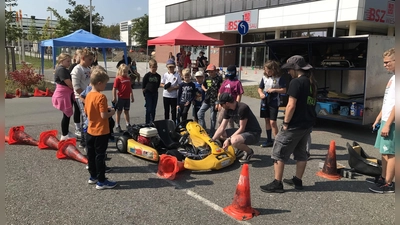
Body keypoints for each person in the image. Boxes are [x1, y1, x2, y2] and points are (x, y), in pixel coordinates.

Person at [259, 55, 317, 193]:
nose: (288, 72)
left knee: (278, 152)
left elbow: (291, 105)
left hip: (295, 124)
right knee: (301, 153)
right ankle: (297, 180)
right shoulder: (312, 82)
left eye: (290, 69)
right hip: (307, 123)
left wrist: (285, 123)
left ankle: (277, 183)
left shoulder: (296, 83)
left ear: (296, 69)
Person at [368, 48, 395, 194]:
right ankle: (384, 177)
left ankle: (389, 184)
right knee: (384, 152)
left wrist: (389, 124)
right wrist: (378, 118)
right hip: (386, 120)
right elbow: (388, 103)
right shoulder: (392, 78)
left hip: (393, 123)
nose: (385, 65)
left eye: (387, 62)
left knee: (392, 154)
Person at [84, 67, 117, 190]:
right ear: (99, 83)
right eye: (104, 84)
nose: (105, 86)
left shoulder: (88, 95)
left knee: (91, 155)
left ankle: (93, 176)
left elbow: (87, 112)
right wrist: (111, 112)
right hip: (101, 131)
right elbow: (103, 116)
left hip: (90, 129)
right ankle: (102, 181)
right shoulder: (101, 97)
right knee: (100, 156)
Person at [212, 93, 262, 163]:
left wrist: (228, 140)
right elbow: (221, 127)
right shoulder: (227, 110)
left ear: (227, 103)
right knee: (222, 134)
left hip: (253, 133)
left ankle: (249, 152)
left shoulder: (242, 108)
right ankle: (240, 148)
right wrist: (212, 140)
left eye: (221, 104)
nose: (220, 106)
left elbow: (242, 128)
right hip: (244, 132)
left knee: (234, 140)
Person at [258, 60, 287, 147]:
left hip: (274, 102)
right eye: (266, 70)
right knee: (267, 120)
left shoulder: (279, 78)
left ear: (274, 69)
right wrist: (261, 94)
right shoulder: (264, 77)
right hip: (265, 101)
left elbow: (284, 90)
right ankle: (269, 140)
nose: (267, 72)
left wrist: (274, 90)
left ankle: (277, 141)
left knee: (272, 122)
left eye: (269, 71)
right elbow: (260, 88)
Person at [71, 49, 94, 138]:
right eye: (90, 59)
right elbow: (76, 86)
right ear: (83, 58)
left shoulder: (88, 69)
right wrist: (85, 96)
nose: (91, 62)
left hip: (89, 95)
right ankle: (85, 138)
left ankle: (89, 134)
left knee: (89, 115)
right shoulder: (77, 69)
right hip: (81, 96)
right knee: (85, 117)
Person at [52, 53, 75, 140]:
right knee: (66, 114)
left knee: (66, 115)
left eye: (70, 61)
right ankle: (64, 134)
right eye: (68, 61)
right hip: (64, 94)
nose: (70, 63)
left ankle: (66, 132)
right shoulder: (62, 70)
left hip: (65, 94)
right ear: (62, 61)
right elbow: (69, 84)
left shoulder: (62, 69)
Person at [197, 64, 222, 136]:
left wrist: (218, 101)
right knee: (200, 113)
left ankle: (212, 132)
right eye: (209, 72)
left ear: (215, 71)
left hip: (215, 101)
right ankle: (204, 128)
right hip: (207, 99)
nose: (210, 73)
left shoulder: (219, 78)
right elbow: (203, 85)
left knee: (212, 117)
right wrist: (205, 90)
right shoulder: (207, 78)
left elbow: (221, 89)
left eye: (211, 71)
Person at [217, 65, 244, 129]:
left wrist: (236, 105)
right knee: (219, 120)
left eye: (231, 72)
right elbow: (220, 93)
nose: (229, 74)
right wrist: (219, 103)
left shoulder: (237, 82)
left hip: (231, 105)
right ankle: (220, 135)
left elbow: (239, 94)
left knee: (230, 122)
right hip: (224, 105)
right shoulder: (225, 82)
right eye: (228, 72)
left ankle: (231, 135)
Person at [112, 64, 134, 133]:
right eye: (124, 72)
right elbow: (114, 88)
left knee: (126, 111)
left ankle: (128, 124)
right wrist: (114, 97)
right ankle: (117, 125)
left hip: (127, 98)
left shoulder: (128, 79)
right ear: (120, 71)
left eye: (126, 72)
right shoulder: (118, 79)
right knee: (119, 112)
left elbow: (130, 88)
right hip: (121, 98)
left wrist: (132, 96)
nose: (125, 73)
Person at [160, 58, 182, 123]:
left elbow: (180, 85)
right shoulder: (165, 75)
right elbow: (161, 83)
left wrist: (173, 88)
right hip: (166, 95)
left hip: (173, 96)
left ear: (174, 67)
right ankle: (166, 123)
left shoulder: (177, 75)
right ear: (167, 67)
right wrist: (165, 86)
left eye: (172, 67)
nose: (170, 68)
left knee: (173, 111)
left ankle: (173, 124)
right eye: (169, 67)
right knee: (166, 110)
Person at [142, 59, 161, 124]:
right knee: (149, 109)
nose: (154, 69)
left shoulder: (158, 76)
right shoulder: (147, 76)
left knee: (153, 109)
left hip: (155, 93)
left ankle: (152, 121)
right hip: (148, 93)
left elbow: (158, 85)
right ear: (150, 67)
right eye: (153, 67)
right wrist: (145, 95)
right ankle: (147, 122)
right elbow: (143, 86)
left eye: (155, 67)